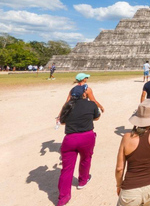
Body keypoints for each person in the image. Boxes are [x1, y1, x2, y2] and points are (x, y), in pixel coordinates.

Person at [56, 77, 101, 206]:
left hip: (70, 138)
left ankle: (63, 198)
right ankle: (82, 180)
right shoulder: (91, 104)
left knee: (66, 169)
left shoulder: (67, 106)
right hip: (87, 136)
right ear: (83, 94)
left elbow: (63, 121)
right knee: (86, 159)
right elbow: (96, 118)